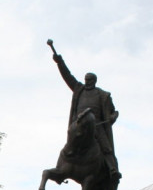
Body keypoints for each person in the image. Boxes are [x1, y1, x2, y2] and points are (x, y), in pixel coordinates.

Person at [51, 45, 119, 179]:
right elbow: (67, 76)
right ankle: (60, 167)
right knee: (68, 145)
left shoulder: (103, 95)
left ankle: (112, 169)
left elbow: (114, 111)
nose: (87, 82)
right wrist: (59, 62)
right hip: (79, 124)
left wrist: (112, 117)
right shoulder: (78, 89)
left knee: (106, 148)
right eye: (86, 80)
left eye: (90, 80)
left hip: (96, 125)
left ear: (95, 81)